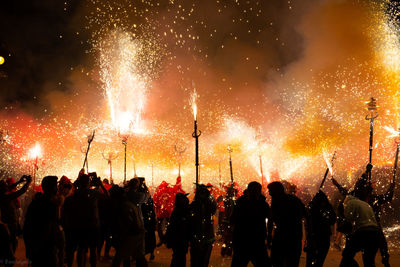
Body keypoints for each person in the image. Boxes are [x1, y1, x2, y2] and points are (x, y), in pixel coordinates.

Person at [23, 176, 64, 267]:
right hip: (46, 246)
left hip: (36, 247)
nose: (57, 188)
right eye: (55, 185)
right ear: (52, 188)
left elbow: (27, 226)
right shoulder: (50, 204)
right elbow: (55, 225)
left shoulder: (35, 202)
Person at [62, 173, 101, 267]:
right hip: (92, 226)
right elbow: (107, 197)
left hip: (77, 226)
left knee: (81, 249)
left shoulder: (72, 196)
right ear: (89, 182)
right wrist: (101, 185)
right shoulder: (94, 194)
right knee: (92, 250)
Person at [339, 180, 380, 267]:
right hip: (375, 234)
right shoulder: (364, 204)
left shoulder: (349, 203)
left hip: (363, 233)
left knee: (347, 255)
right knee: (369, 262)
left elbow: (348, 221)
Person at [231, 181, 271, 267]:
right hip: (246, 240)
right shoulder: (260, 203)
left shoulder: (241, 202)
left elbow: (232, 219)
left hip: (251, 240)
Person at [267, 181, 307, 267]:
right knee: (291, 262)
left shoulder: (278, 202)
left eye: (270, 191)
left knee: (279, 262)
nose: (269, 193)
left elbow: (271, 220)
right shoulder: (294, 199)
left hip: (285, 237)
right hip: (294, 236)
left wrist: (269, 235)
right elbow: (306, 215)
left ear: (276, 191)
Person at [109, 185, 148, 267]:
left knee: (123, 256)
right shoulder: (128, 204)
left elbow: (128, 223)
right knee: (135, 256)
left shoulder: (124, 206)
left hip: (132, 234)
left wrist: (122, 235)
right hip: (135, 233)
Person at [0, 175, 32, 258]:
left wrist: (19, 181)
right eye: (5, 185)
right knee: (12, 243)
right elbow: (21, 191)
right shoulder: (5, 197)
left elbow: (10, 188)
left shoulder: (3, 195)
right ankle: (9, 260)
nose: (7, 186)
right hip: (9, 224)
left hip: (8, 223)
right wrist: (28, 183)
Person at [306, 190, 336, 267]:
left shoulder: (313, 207)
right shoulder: (328, 207)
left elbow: (308, 221)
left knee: (311, 261)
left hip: (314, 236)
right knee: (319, 261)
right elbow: (333, 220)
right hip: (324, 237)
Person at [189, 184, 217, 267]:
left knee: (200, 260)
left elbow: (213, 210)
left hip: (204, 235)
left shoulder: (207, 203)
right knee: (199, 260)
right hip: (198, 235)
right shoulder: (196, 204)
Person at [166, 192, 190, 267]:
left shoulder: (177, 211)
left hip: (178, 239)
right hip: (181, 239)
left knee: (178, 256)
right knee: (180, 257)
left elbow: (171, 227)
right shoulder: (183, 212)